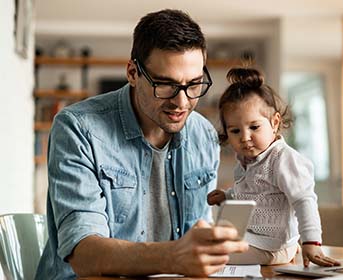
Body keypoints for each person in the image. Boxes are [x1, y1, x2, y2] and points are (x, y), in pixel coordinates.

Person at [35, 9, 248, 279]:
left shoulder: (204, 134)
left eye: (193, 85)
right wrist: (173, 257)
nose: (182, 103)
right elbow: (84, 254)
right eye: (165, 85)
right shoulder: (77, 128)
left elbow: (198, 234)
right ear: (133, 72)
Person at [207, 67, 341, 267]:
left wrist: (311, 242)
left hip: (272, 246)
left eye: (254, 127)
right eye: (235, 130)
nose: (245, 138)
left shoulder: (283, 160)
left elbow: (304, 201)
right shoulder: (246, 162)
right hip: (256, 239)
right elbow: (252, 194)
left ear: (275, 122)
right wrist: (227, 196)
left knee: (211, 255)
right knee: (207, 238)